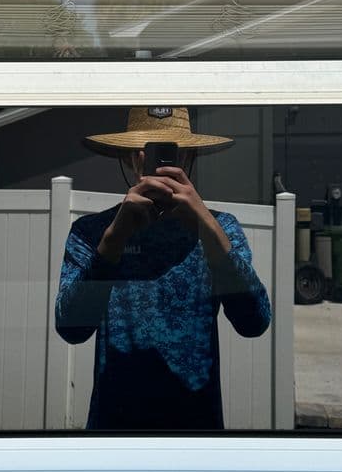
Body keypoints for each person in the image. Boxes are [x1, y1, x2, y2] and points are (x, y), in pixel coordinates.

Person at [54, 107, 271, 431]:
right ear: (132, 159)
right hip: (114, 432)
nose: (163, 166)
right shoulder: (93, 232)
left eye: (171, 155)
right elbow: (71, 328)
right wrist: (114, 238)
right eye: (154, 155)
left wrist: (206, 229)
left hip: (196, 433)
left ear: (190, 159)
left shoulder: (220, 229)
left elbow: (254, 321)